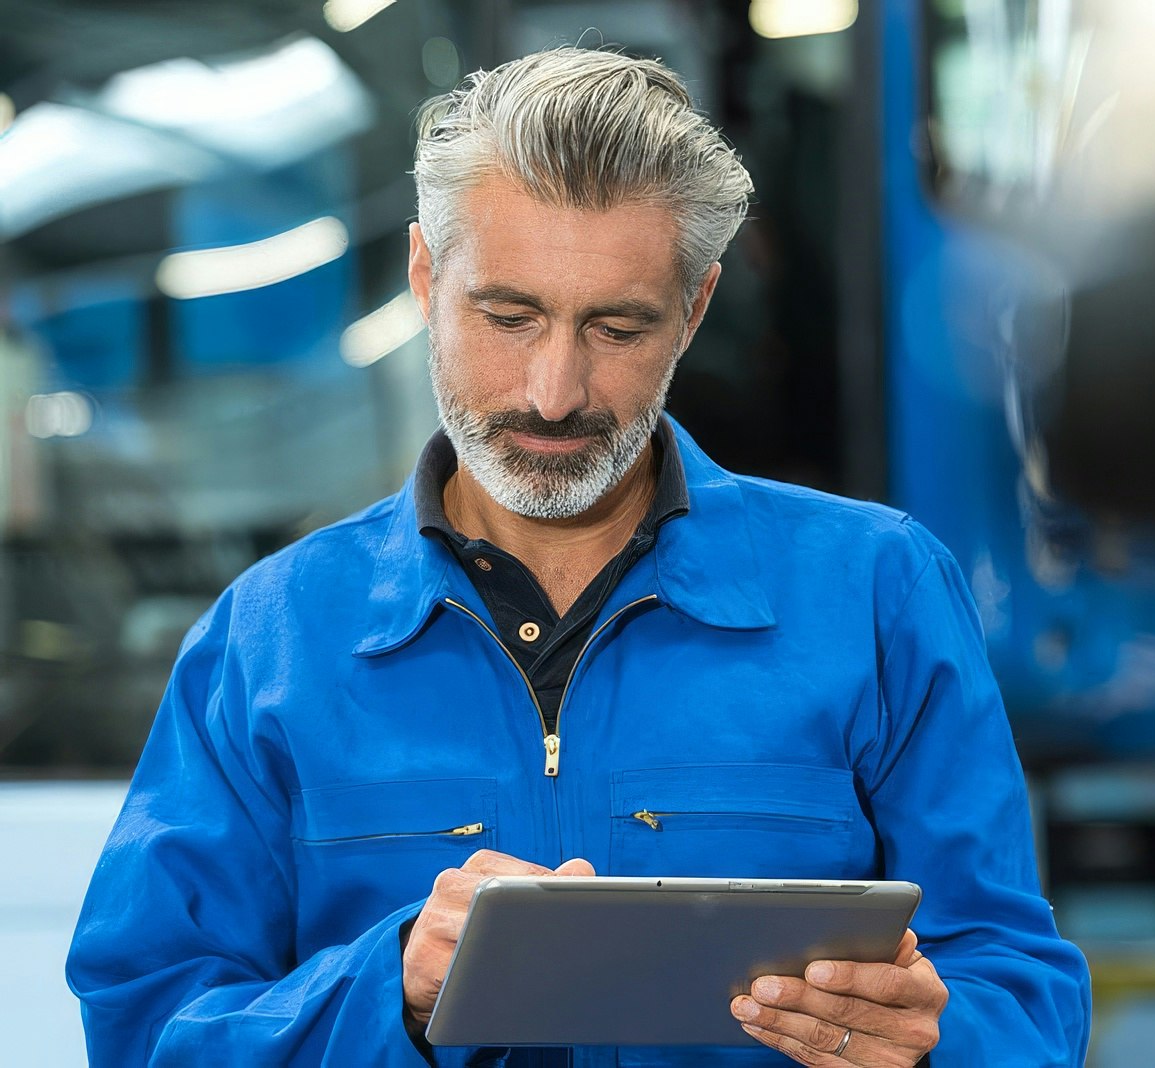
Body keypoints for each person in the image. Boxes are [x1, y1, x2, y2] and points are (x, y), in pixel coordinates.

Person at [66, 47, 1091, 1067]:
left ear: (692, 312)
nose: (553, 391)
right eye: (507, 316)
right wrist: (396, 993)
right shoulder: (272, 637)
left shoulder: (878, 593)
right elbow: (149, 1029)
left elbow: (1019, 994)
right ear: (428, 277)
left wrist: (932, 1040)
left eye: (617, 326)